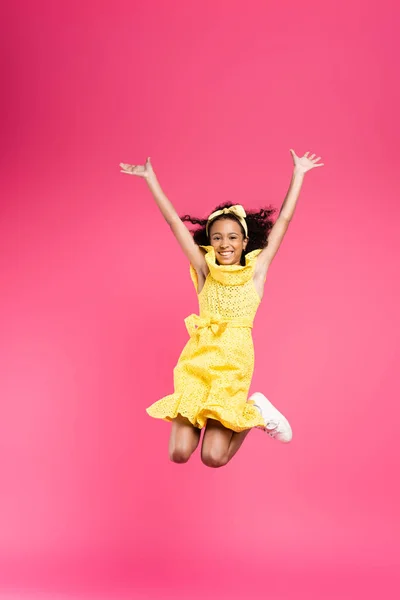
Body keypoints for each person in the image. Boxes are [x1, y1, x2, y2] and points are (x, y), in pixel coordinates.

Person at [120, 150, 324, 468]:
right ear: (210, 242)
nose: (224, 243)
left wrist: (298, 174)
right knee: (178, 453)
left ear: (245, 242)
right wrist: (150, 179)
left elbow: (283, 220)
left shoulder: (256, 273)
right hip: (197, 362)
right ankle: (244, 410)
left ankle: (255, 409)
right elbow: (174, 223)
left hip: (233, 365)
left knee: (214, 457)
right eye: (217, 238)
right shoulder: (204, 271)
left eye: (232, 237)